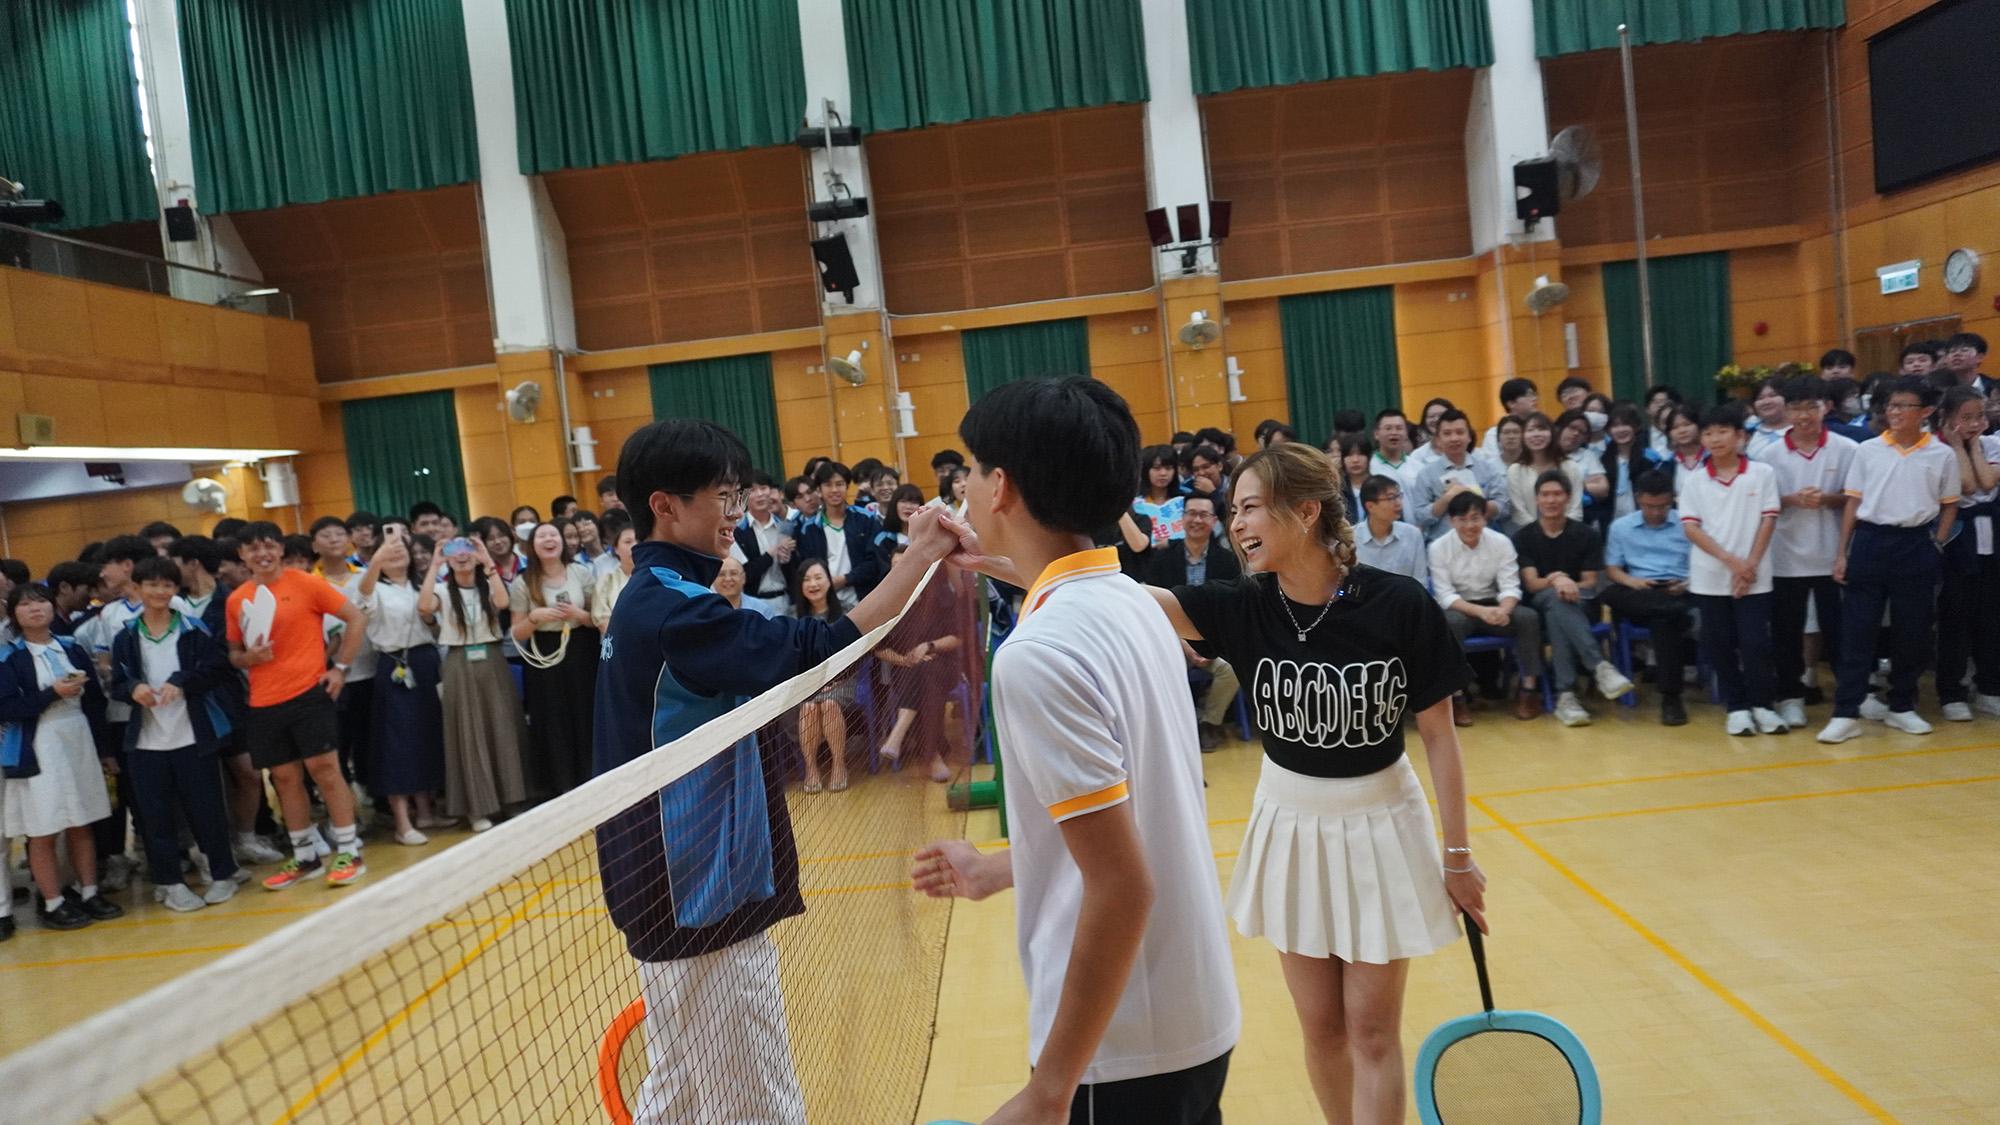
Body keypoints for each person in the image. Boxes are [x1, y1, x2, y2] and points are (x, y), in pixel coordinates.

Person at [591, 418, 955, 1125]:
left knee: (680, 1090)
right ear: (665, 504)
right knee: (753, 1097)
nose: (734, 512)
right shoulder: (677, 612)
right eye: (721, 496)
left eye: (737, 495)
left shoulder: (653, 595)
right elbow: (825, 646)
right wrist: (920, 556)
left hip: (668, 880)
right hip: (699, 886)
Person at [914, 377, 1240, 1124]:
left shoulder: (1037, 656)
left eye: (973, 470)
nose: (964, 488)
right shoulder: (1137, 604)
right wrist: (1001, 868)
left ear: (1002, 487)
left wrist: (1050, 1090)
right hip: (1195, 1015)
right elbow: (1132, 827)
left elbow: (1123, 885)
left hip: (1118, 1048)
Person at [225, 523, 369, 891]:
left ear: (280, 549)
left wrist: (340, 669)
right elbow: (234, 654)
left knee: (325, 769)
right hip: (263, 701)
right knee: (285, 779)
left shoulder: (306, 583)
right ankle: (305, 856)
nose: (262, 554)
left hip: (309, 693)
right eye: (253, 549)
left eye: (269, 546)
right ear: (242, 555)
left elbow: (356, 618)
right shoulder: (237, 599)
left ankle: (349, 850)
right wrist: (248, 658)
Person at [1820, 376, 1961, 743]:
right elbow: (1853, 502)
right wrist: (1842, 552)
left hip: (1915, 544)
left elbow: (1950, 504)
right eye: (1890, 405)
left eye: (1902, 406)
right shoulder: (1868, 450)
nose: (1893, 412)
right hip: (1870, 541)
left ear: (1925, 412)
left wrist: (1938, 543)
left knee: (1911, 631)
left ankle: (1902, 706)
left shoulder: (1942, 454)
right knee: (1857, 630)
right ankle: (1846, 711)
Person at [108, 556, 243, 911]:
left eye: (167, 585)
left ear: (175, 588)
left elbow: (216, 670)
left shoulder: (194, 630)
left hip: (192, 737)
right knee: (155, 817)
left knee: (207, 810)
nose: (159, 591)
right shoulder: (125, 636)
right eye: (151, 584)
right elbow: (117, 684)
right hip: (146, 743)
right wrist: (133, 688)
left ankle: (223, 874)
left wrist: (182, 682)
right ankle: (170, 883)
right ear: (137, 588)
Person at [0, 584, 123, 931]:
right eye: (25, 604)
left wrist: (104, 750)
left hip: (78, 737)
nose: (35, 609)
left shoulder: (71, 647)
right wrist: (51, 694)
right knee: (43, 828)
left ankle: (89, 891)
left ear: (53, 607)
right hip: (39, 742)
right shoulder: (9, 657)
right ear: (14, 614)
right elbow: (6, 707)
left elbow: (95, 701)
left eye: (41, 601)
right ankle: (53, 902)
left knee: (82, 821)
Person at [1679, 403, 1785, 736]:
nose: (1715, 439)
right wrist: (1732, 562)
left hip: (1756, 576)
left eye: (1723, 431)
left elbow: (1769, 519)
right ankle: (1736, 707)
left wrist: (1749, 566)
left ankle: (1763, 705)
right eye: (1708, 433)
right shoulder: (1695, 480)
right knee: (1720, 643)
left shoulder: (1762, 473)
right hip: (1710, 577)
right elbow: (1691, 528)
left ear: (1740, 436)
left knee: (1755, 643)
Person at [418, 535, 527, 831]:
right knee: (467, 733)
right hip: (458, 662)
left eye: (467, 549)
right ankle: (477, 808)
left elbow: (502, 602)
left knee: (501, 728)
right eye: (454, 551)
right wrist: (435, 565)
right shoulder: (442, 589)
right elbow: (425, 607)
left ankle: (511, 799)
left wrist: (487, 561)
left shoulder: (487, 585)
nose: (461, 555)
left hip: (491, 659)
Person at [1513, 471, 1634, 727]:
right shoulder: (1524, 537)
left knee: (1560, 610)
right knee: (1555, 601)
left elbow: (1590, 582)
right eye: (1545, 495)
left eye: (1557, 494)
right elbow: (1532, 584)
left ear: (1568, 498)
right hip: (1539, 606)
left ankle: (1566, 697)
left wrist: (1566, 585)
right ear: (1537, 499)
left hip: (1582, 603)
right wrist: (1557, 579)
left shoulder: (1586, 534)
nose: (1551, 500)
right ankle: (1599, 667)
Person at [1768, 376, 1856, 728]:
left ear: (1826, 407)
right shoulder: (1769, 455)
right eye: (1795, 407)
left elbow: (1857, 499)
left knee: (1841, 633)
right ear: (1786, 410)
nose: (1803, 415)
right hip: (1784, 558)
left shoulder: (1847, 449)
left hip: (1834, 555)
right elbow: (1760, 505)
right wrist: (1791, 500)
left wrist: (1828, 499)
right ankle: (1790, 697)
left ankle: (1851, 698)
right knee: (1786, 633)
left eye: (1811, 407)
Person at [357, 527, 449, 846]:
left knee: (426, 736)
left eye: (402, 549)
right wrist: (375, 562)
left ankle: (426, 811)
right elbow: (363, 598)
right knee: (396, 743)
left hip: (425, 662)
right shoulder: (374, 588)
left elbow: (435, 623)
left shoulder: (420, 585)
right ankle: (402, 822)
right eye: (388, 550)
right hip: (394, 664)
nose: (397, 553)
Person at [1430, 489, 1543, 723]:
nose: (1470, 526)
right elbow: (1445, 596)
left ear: (1485, 518)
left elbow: (1511, 586)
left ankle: (1529, 690)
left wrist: (1504, 610)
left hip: (1496, 605)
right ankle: (1457, 697)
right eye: (1462, 519)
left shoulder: (1501, 542)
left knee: (1528, 617)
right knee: (1449, 624)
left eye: (1475, 518)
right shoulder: (1438, 547)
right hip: (1460, 608)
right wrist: (1481, 612)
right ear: (1451, 521)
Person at [1146, 492, 1243, 751]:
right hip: (1170, 640)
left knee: (1231, 669)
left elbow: (1230, 611)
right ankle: (1168, 728)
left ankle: (1209, 723)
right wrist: (1186, 645)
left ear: (1214, 521)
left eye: (1203, 514)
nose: (1197, 520)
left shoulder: (1228, 561)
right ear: (1182, 518)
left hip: (1214, 639)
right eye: (1191, 513)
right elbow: (1152, 609)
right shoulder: (1162, 558)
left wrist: (1208, 644)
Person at [1600, 471, 1697, 726]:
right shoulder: (1621, 527)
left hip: (1678, 589)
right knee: (1610, 593)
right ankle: (1672, 610)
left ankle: (1671, 697)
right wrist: (1635, 582)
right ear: (1638, 499)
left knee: (1664, 620)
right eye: (1648, 506)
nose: (1655, 512)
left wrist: (1686, 584)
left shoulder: (1687, 525)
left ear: (1672, 499)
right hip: (1639, 590)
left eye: (1662, 506)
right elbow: (1613, 570)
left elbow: (1701, 565)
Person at [510, 522, 600, 798]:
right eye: (542, 536)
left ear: (562, 541)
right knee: (552, 718)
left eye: (553, 535)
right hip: (543, 655)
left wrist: (578, 614)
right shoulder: (523, 582)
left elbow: (597, 619)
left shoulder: (580, 572)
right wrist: (534, 618)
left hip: (581, 650)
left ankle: (591, 778)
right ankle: (560, 785)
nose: (548, 540)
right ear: (532, 545)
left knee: (584, 713)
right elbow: (517, 633)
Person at [1933, 385, 2000, 720]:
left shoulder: (1994, 444)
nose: (1974, 424)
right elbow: (1967, 485)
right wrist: (1959, 446)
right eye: (1965, 417)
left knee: (1991, 617)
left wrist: (1972, 445)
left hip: (1993, 538)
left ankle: (1989, 688)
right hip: (1956, 538)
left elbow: (1987, 481)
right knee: (1955, 616)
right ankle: (1951, 692)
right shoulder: (1936, 450)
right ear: (1946, 419)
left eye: (1979, 416)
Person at [789, 560, 853, 793]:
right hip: (806, 685)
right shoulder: (791, 617)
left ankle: (839, 765)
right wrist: (811, 683)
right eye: (806, 579)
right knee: (808, 707)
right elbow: (791, 660)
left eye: (818, 577)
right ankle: (811, 768)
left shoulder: (848, 611)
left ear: (829, 581)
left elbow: (856, 653)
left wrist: (834, 679)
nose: (813, 584)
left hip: (843, 680)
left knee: (829, 704)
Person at [1407, 409, 1508, 540]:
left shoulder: (1487, 468)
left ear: (1469, 437)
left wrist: (1477, 501)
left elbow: (1504, 507)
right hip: (1443, 544)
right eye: (1447, 433)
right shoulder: (1426, 474)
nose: (1454, 438)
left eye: (1460, 432)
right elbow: (1420, 516)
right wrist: (1446, 499)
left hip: (1483, 541)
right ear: (1438, 440)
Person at [797, 461, 883, 609]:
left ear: (847, 487)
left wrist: (845, 579)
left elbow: (875, 561)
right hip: (826, 603)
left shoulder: (866, 519)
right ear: (819, 490)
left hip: (864, 599)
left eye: (839, 484)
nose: (834, 490)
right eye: (828, 485)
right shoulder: (809, 529)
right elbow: (807, 568)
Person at [733, 473, 797, 617]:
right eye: (753, 490)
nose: (760, 494)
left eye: (763, 488)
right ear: (743, 496)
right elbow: (744, 573)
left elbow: (796, 571)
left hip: (786, 600)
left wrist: (788, 559)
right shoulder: (739, 531)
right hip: (753, 603)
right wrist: (771, 554)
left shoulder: (785, 527)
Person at [1507, 412, 1581, 532]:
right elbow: (1519, 512)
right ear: (1523, 436)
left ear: (1552, 433)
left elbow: (1576, 509)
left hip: (1569, 534)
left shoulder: (1570, 467)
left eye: (1542, 429)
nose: (1536, 434)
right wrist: (1542, 534)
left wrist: (1561, 532)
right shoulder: (1515, 470)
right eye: (1530, 430)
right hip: (1529, 535)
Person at [1354, 475, 1428, 586]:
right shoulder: (1351, 538)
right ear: (1370, 506)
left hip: (1405, 596)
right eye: (1390, 498)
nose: (1398, 503)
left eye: (1399, 496)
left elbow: (1421, 582)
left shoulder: (1413, 534)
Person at [1132, 445, 1187, 548]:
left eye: (1168, 468)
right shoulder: (1134, 504)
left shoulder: (1186, 499)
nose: (1163, 473)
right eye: (1156, 468)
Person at [592, 512, 638, 630]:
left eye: (639, 541)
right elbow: (602, 620)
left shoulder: (658, 576)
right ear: (616, 548)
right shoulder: (606, 581)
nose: (635, 546)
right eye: (628, 542)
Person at [1480, 377, 1540, 457]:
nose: (1535, 399)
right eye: (1529, 395)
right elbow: (1491, 462)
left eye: (1535, 394)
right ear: (1511, 403)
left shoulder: (1541, 430)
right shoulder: (1494, 434)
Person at [1745, 377, 1791, 458]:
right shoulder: (1746, 431)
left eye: (1773, 395)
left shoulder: (1800, 431)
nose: (1766, 402)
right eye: (1760, 398)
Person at [1335, 435, 1374, 528]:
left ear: (1369, 457)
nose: (1355, 460)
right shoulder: (1337, 489)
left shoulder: (1380, 486)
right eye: (1349, 455)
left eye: (1360, 454)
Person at [1370, 410, 1417, 482]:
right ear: (1376, 434)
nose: (1394, 432)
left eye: (1399, 428)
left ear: (1406, 433)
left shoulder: (1418, 467)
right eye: (1388, 428)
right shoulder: (1369, 467)